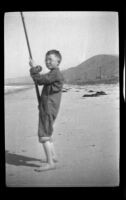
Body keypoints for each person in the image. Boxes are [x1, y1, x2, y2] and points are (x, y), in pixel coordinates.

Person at [29, 50, 64, 172]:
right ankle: (53, 156)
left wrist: (33, 68)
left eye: (50, 59)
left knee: (43, 134)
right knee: (47, 132)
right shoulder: (53, 74)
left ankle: (50, 163)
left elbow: (39, 80)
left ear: (58, 62)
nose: (47, 61)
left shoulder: (55, 74)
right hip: (48, 107)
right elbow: (42, 81)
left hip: (48, 109)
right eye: (46, 59)